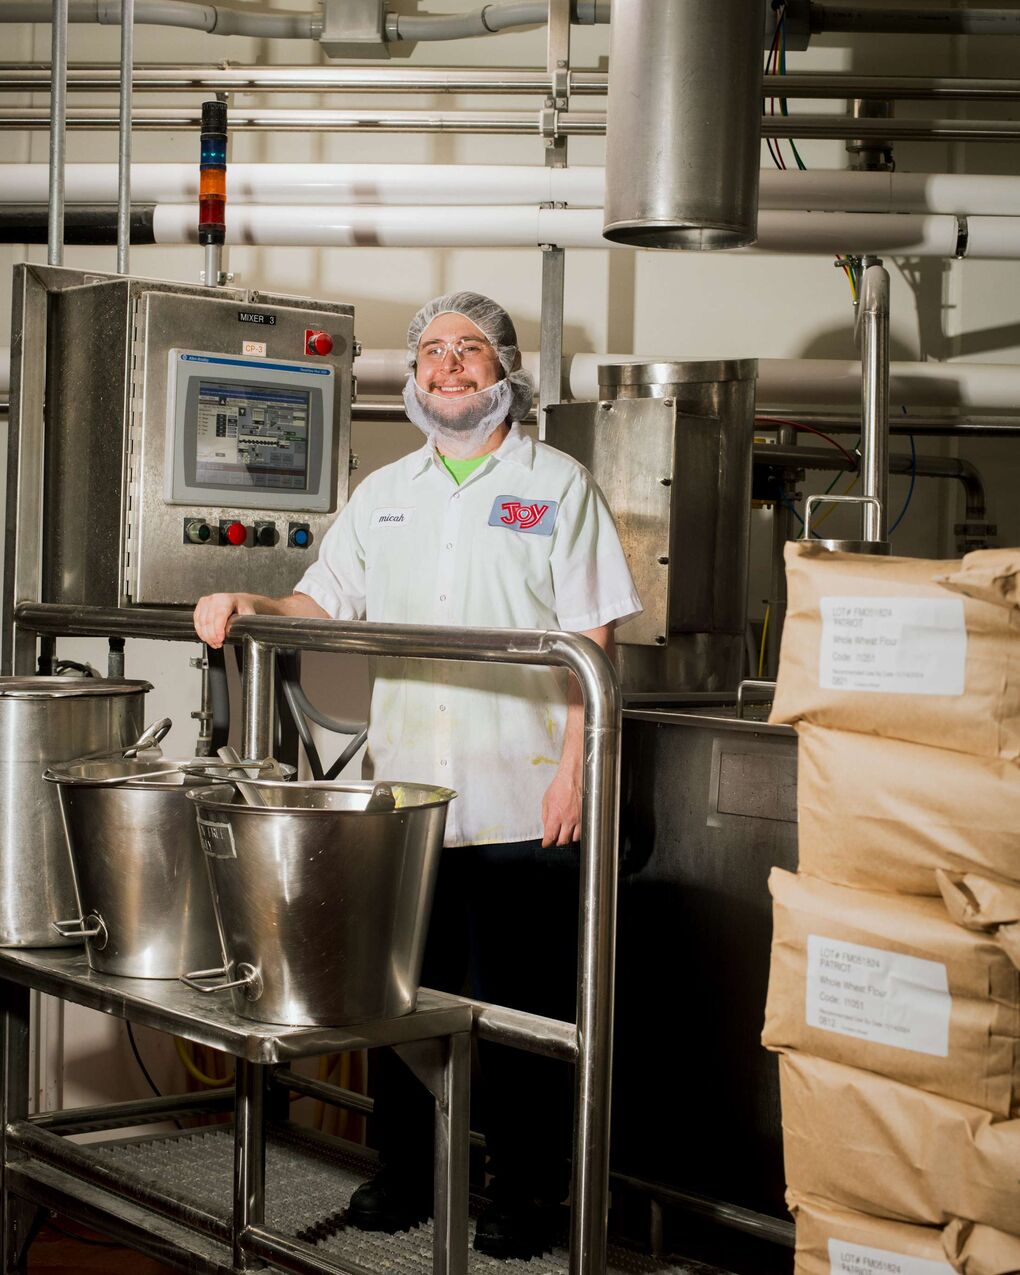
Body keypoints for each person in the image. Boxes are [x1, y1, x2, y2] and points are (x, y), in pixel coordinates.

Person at [193, 291, 640, 1259]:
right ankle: (403, 1177)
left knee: (525, 1018)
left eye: (468, 350)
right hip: (406, 804)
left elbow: (594, 637)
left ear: (505, 370)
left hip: (523, 799)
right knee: (395, 1003)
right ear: (413, 375)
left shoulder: (558, 487)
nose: (446, 366)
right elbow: (320, 601)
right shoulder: (385, 493)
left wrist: (577, 769)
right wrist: (248, 598)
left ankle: (524, 1197)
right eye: (431, 350)